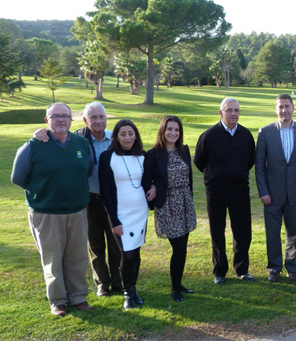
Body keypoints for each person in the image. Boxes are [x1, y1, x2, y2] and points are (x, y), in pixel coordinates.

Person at [11, 102, 95, 316]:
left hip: (76, 211)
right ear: (46, 120)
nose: (60, 119)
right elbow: (18, 178)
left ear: (71, 119)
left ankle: (78, 297)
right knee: (52, 258)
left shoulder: (81, 143)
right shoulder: (33, 145)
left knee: (77, 257)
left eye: (65, 116)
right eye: (54, 116)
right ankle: (58, 301)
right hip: (46, 213)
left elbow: (87, 169)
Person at [33, 102, 123, 297]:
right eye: (93, 117)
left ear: (106, 119)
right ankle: (102, 284)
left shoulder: (115, 139)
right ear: (84, 120)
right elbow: (56, 133)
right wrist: (40, 131)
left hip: (114, 200)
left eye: (101, 117)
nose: (98, 121)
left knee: (116, 243)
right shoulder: (78, 139)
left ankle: (118, 282)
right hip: (88, 199)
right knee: (95, 244)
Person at [194, 98, 256, 285]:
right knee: (217, 232)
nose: (233, 114)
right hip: (216, 192)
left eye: (236, 110)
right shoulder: (209, 135)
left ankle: (242, 269)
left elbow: (251, 160)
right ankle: (220, 271)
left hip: (240, 190)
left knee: (242, 232)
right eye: (228, 110)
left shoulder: (245, 135)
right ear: (220, 113)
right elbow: (199, 161)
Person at [255, 93, 296, 283]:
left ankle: (292, 267)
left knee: (293, 231)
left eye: (287, 106)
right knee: (272, 232)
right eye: (280, 107)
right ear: (275, 109)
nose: (284, 110)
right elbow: (260, 166)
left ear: (293, 108)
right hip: (272, 193)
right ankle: (274, 268)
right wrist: (263, 191)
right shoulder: (265, 132)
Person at [143, 115, 197, 302]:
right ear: (162, 131)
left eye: (176, 130)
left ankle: (179, 283)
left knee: (183, 249)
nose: (173, 133)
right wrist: (155, 187)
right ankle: (175, 288)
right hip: (168, 205)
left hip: (184, 203)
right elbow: (146, 179)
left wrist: (188, 200)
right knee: (179, 248)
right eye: (169, 129)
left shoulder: (184, 151)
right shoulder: (154, 154)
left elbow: (188, 178)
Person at [99, 119, 149, 310]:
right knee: (127, 254)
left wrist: (152, 188)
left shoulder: (142, 155)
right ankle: (128, 293)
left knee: (136, 252)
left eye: (130, 133)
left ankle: (133, 288)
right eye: (123, 134)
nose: (127, 137)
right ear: (116, 137)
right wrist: (114, 220)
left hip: (140, 212)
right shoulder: (107, 157)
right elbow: (105, 193)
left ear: (135, 135)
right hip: (121, 214)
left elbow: (147, 180)